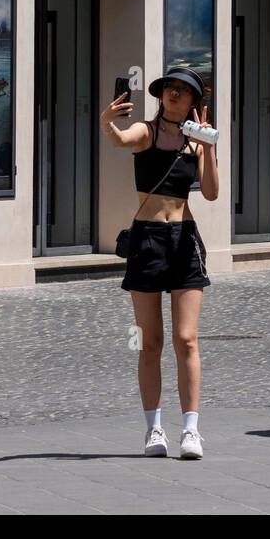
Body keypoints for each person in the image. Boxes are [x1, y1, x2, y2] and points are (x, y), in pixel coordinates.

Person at [100, 66, 218, 459]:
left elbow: (213, 193)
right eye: (168, 89)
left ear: (193, 102)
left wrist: (209, 146)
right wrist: (108, 122)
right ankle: (154, 431)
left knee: (186, 339)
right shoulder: (146, 133)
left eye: (182, 91)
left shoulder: (195, 143)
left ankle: (191, 431)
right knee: (150, 343)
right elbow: (120, 138)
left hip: (184, 239)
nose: (173, 94)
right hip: (148, 240)